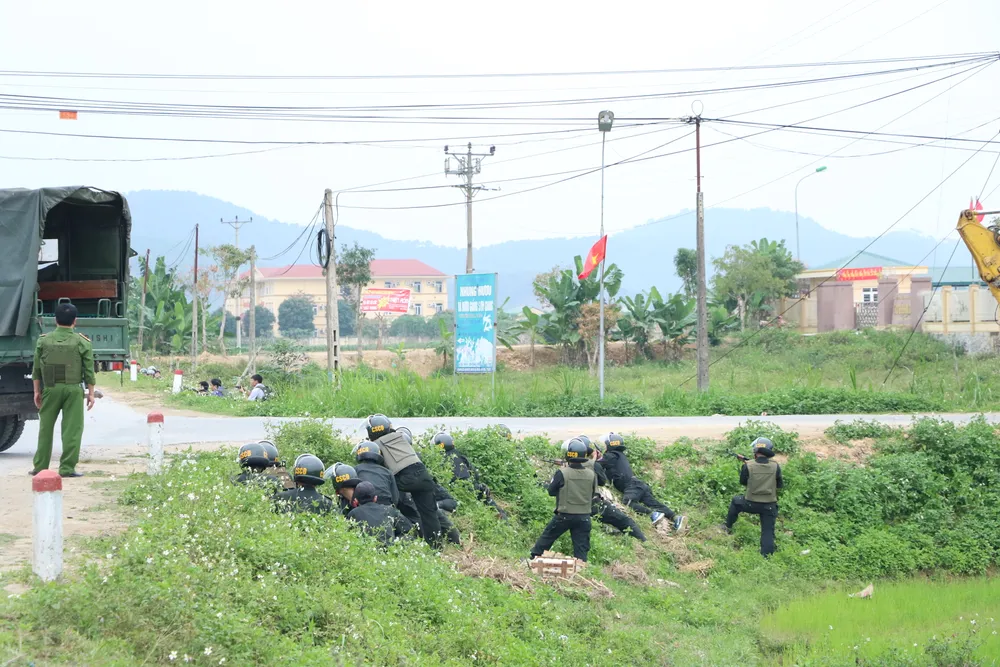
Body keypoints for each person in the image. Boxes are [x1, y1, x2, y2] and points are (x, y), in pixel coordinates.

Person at [30, 303, 95, 478]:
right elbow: (89, 371)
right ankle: (67, 468)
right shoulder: (82, 342)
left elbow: (36, 369)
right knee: (72, 430)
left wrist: (36, 391)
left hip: (50, 388)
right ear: (75, 321)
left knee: (45, 428)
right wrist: (91, 393)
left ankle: (40, 467)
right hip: (73, 389)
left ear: (55, 320)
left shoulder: (43, 341)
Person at [366, 414, 442, 547]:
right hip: (423, 475)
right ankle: (436, 547)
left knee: (384, 492)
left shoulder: (376, 445)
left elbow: (379, 469)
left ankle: (395, 532)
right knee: (429, 514)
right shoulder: (400, 437)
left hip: (405, 478)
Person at [601, 432, 687, 532]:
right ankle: (676, 518)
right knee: (654, 504)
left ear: (610, 444)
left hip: (631, 486)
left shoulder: (610, 455)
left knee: (628, 502)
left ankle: (652, 514)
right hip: (638, 484)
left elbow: (596, 464)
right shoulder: (620, 455)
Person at [567, 437, 647, 542]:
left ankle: (607, 529)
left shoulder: (565, 469)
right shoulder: (593, 465)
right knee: (625, 521)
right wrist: (595, 460)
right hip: (593, 504)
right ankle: (643, 541)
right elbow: (602, 482)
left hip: (572, 507)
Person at [530, 439, 596, 562]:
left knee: (547, 538)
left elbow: (551, 491)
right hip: (584, 516)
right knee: (581, 550)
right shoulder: (591, 474)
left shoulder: (562, 473)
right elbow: (592, 493)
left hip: (565, 515)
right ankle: (581, 569)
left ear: (568, 455)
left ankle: (533, 559)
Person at [725, 437, 783, 557]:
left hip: (750, 503)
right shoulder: (775, 466)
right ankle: (766, 555)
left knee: (736, 501)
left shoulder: (748, 465)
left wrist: (748, 466)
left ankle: (727, 526)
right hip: (769, 506)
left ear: (755, 451)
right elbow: (779, 485)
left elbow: (743, 482)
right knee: (767, 531)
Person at [433, 431, 509, 520]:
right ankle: (503, 519)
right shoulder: (460, 456)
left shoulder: (439, 460)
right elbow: (475, 475)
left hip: (456, 492)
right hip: (472, 488)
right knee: (489, 501)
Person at [346, 481, 414, 547]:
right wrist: (396, 544)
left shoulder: (353, 514)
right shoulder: (389, 510)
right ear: (375, 498)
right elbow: (410, 531)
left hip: (366, 550)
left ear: (356, 501)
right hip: (389, 551)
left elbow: (348, 536)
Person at [352, 441, 400, 507]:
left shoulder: (355, 470)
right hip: (385, 506)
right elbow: (395, 498)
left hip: (363, 505)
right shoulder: (388, 472)